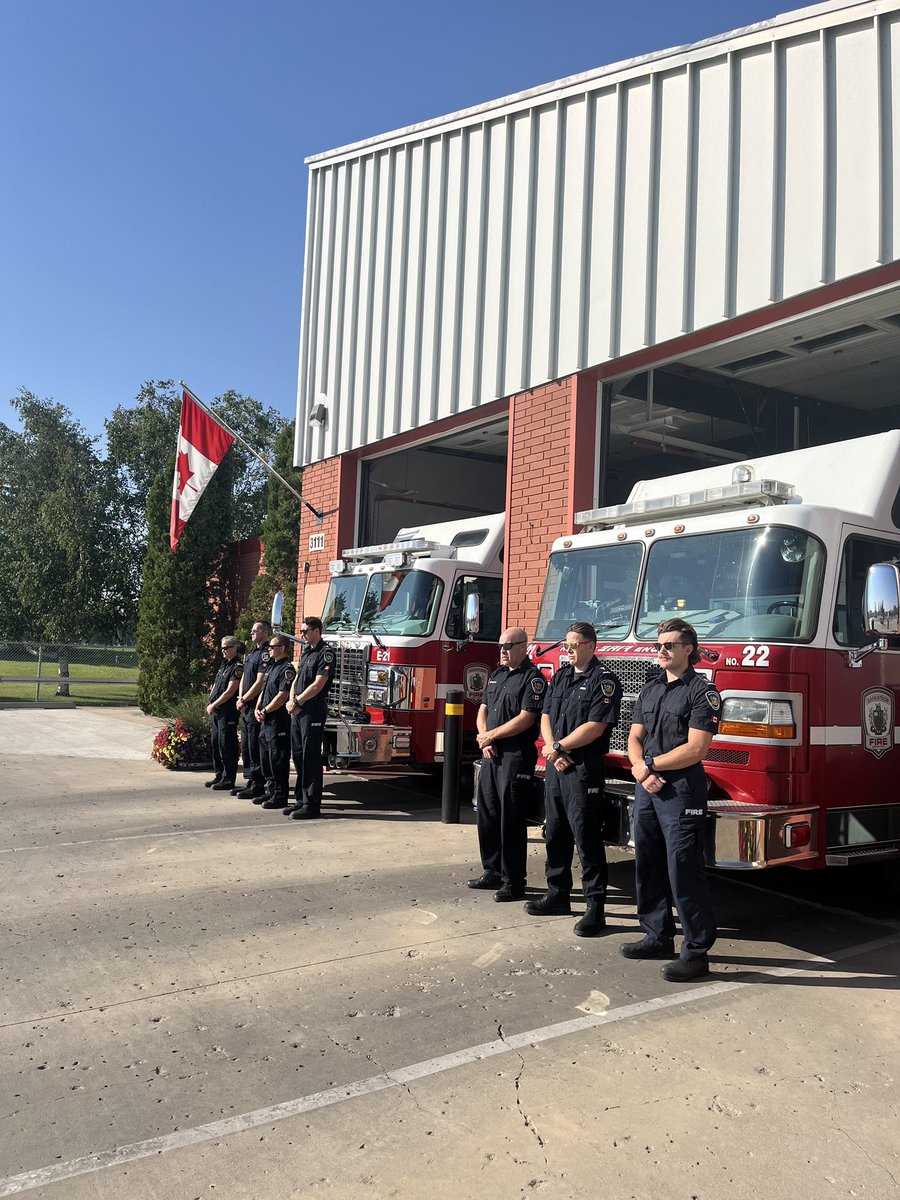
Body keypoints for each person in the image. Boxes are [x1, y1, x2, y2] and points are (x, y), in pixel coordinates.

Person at [623, 618, 720, 982]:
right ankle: (656, 935)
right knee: (647, 861)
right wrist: (641, 769)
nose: (660, 651)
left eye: (668, 645)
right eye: (657, 645)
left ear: (688, 649)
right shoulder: (650, 690)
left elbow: (696, 749)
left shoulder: (702, 692)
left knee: (683, 868)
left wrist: (648, 766)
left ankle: (695, 952)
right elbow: (635, 736)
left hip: (681, 791)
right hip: (648, 787)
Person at [525, 622, 622, 937]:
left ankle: (596, 909)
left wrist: (559, 747)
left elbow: (596, 726)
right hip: (557, 765)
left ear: (591, 646)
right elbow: (545, 716)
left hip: (583, 768)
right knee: (554, 832)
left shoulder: (604, 680)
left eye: (573, 644)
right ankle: (558, 894)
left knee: (587, 837)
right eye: (565, 644)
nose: (567, 649)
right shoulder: (562, 676)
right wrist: (554, 751)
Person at [468, 627, 546, 902]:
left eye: (509, 645)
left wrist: (492, 735)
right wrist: (484, 738)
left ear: (524, 646)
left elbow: (526, 718)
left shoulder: (532, 679)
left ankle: (514, 881)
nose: (502, 650)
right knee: (487, 813)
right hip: (491, 753)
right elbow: (483, 711)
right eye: (500, 645)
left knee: (510, 819)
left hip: (515, 756)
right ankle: (492, 871)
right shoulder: (498, 675)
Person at [283, 616, 335, 819]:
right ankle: (300, 800)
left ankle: (312, 805)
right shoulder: (306, 652)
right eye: (301, 631)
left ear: (316, 631)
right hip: (298, 709)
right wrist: (292, 700)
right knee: (297, 755)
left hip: (312, 709)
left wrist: (298, 701)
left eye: (305, 631)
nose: (302, 634)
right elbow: (297, 678)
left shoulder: (326, 653)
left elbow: (318, 684)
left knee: (310, 757)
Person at [255, 635, 296, 809]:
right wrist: (258, 707)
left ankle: (280, 795)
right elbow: (264, 691)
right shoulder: (272, 667)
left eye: (272, 646)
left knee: (277, 758)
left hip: (278, 720)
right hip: (266, 719)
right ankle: (270, 790)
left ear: (282, 648)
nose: (269, 649)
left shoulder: (286, 669)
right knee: (266, 757)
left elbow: (282, 696)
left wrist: (265, 710)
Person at [233, 619, 271, 799]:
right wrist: (241, 698)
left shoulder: (265, 653)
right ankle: (250, 779)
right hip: (245, 706)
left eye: (254, 630)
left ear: (265, 632)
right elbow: (244, 679)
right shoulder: (251, 654)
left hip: (255, 705)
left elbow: (260, 682)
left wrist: (246, 698)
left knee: (255, 746)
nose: (251, 633)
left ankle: (258, 783)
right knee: (247, 745)